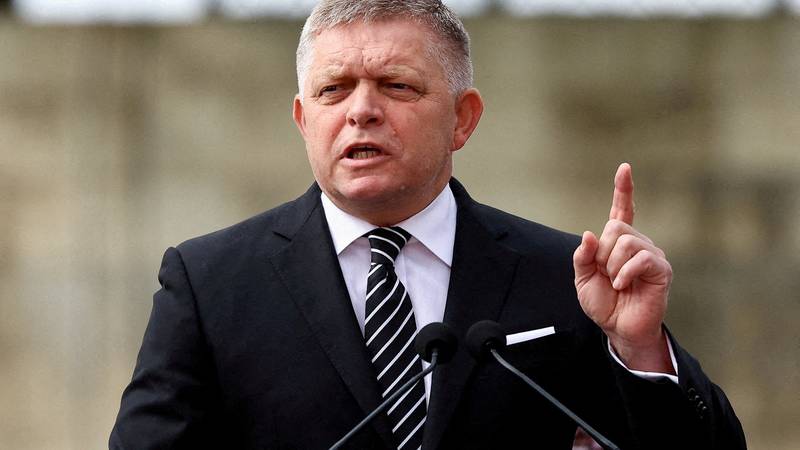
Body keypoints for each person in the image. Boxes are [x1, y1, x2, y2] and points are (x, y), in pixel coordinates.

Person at [110, 1, 746, 449]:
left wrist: (639, 349)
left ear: (463, 119)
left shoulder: (568, 278)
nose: (362, 111)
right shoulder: (210, 282)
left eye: (396, 86)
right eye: (335, 90)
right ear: (304, 120)